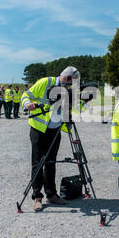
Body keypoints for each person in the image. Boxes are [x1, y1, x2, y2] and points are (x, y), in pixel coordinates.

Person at [22, 66, 83, 212]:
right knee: (38, 163)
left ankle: (51, 194)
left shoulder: (67, 91)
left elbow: (67, 110)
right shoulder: (45, 82)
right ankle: (37, 197)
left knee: (51, 162)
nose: (72, 86)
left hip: (54, 131)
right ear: (67, 78)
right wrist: (27, 104)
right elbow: (26, 94)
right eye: (72, 83)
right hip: (38, 129)